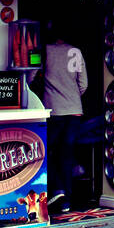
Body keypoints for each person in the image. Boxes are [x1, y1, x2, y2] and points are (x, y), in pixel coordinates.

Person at [42, 22, 88, 211]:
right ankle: (66, 201)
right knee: (67, 155)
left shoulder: (45, 51)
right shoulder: (76, 51)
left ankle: (57, 189)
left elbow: (29, 77)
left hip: (54, 111)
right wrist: (72, 96)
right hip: (75, 111)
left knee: (46, 151)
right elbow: (84, 84)